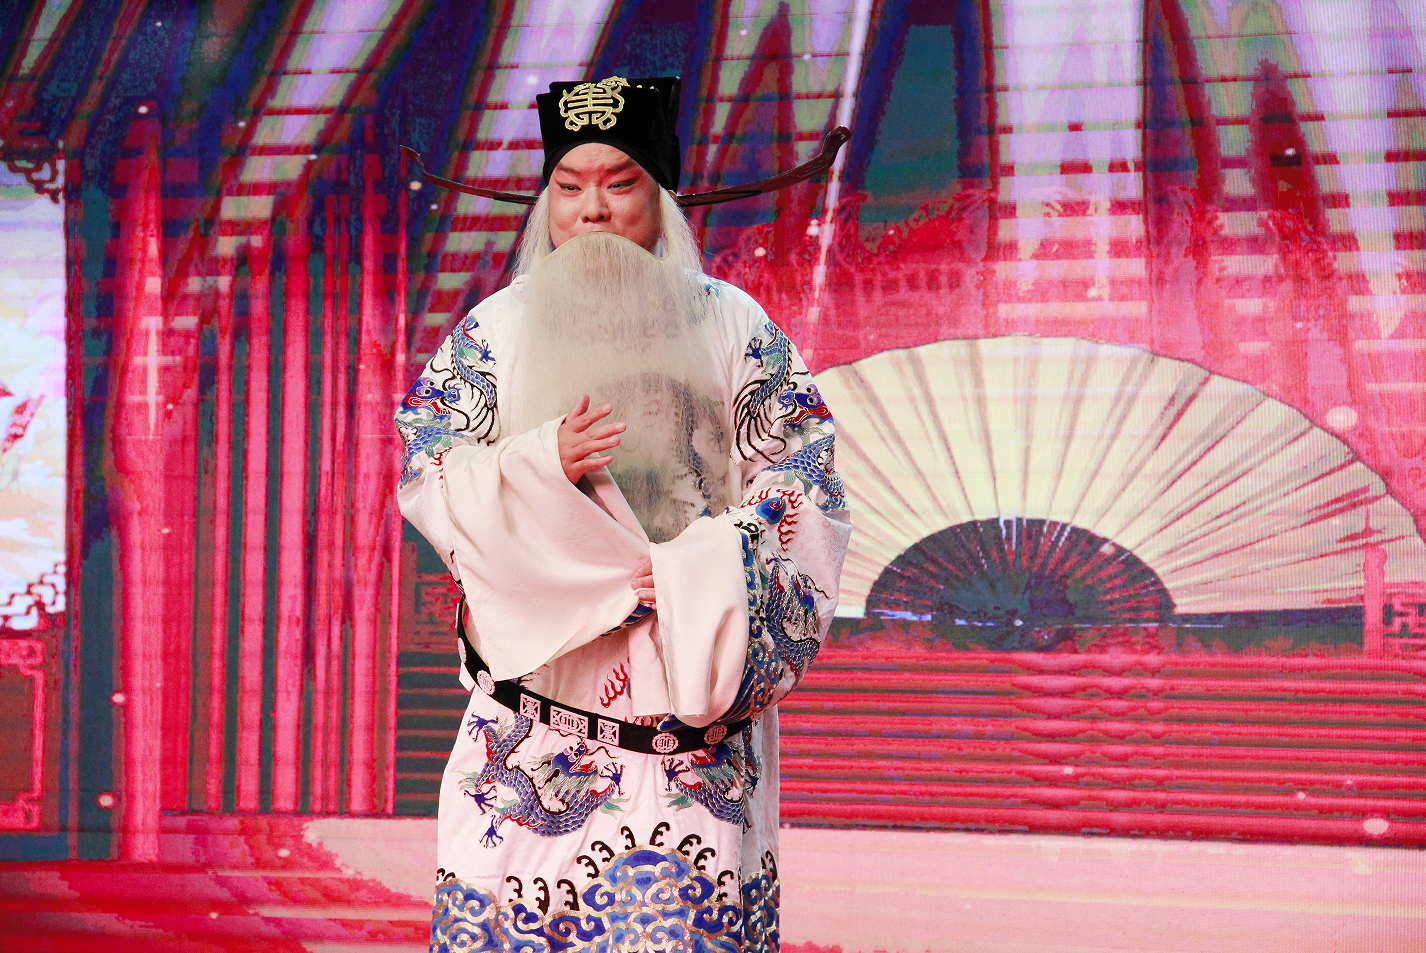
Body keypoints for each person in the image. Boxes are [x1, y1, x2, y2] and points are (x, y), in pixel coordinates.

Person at [395, 75, 850, 953]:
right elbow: (428, 467)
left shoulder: (734, 326)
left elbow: (805, 476)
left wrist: (700, 567)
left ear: (661, 194)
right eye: (569, 187)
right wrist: (539, 468)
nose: (592, 211)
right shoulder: (493, 333)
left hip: (691, 713)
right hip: (536, 711)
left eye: (620, 183)